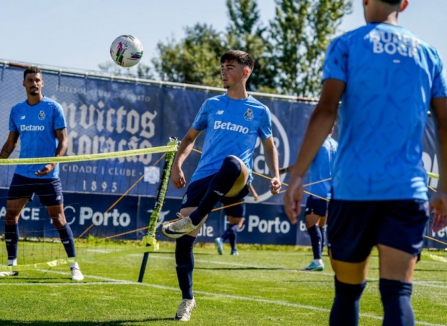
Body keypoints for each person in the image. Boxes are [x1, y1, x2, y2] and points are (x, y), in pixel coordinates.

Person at [283, 1, 447, 325]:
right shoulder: (428, 53)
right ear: (403, 3)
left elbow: (326, 110)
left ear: (364, 1)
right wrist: (444, 187)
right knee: (397, 294)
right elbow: (444, 123)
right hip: (407, 191)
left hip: (353, 189)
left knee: (346, 293)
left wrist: (297, 174)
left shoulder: (346, 45)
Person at [162, 50, 281, 321]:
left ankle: (193, 218)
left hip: (237, 177)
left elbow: (269, 146)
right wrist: (178, 165)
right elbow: (190, 138)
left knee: (231, 162)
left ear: (245, 72)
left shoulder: (260, 111)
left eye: (229, 67)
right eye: (222, 67)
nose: (223, 71)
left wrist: (276, 175)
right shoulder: (211, 104)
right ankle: (187, 299)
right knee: (183, 242)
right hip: (204, 177)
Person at [0, 66, 84, 281]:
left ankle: (74, 266)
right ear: (24, 84)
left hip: (48, 175)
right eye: (30, 80)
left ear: (42, 83)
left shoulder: (53, 108)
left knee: (59, 219)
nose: (34, 83)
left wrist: (52, 164)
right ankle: (11, 266)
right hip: (23, 173)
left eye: (37, 80)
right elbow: (9, 144)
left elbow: (64, 141)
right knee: (10, 216)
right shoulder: (17, 110)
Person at [301, 129, 337, 271]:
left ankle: (317, 260)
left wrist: (283, 171)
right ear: (332, 129)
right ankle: (319, 258)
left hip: (317, 193)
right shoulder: (336, 145)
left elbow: (303, 163)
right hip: (331, 193)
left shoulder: (319, 144)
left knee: (311, 223)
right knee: (321, 225)